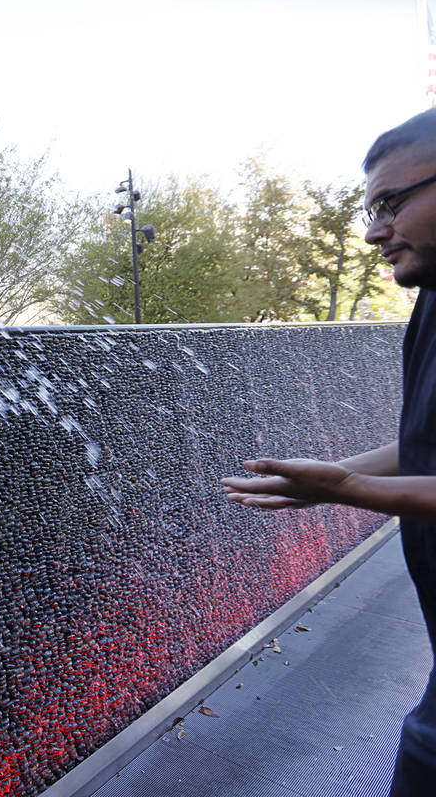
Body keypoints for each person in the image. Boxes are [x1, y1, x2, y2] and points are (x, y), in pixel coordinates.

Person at [221, 108, 436, 796]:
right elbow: (423, 445)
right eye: (370, 209)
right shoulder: (431, 298)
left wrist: (349, 491)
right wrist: (335, 478)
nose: (375, 230)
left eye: (392, 203)